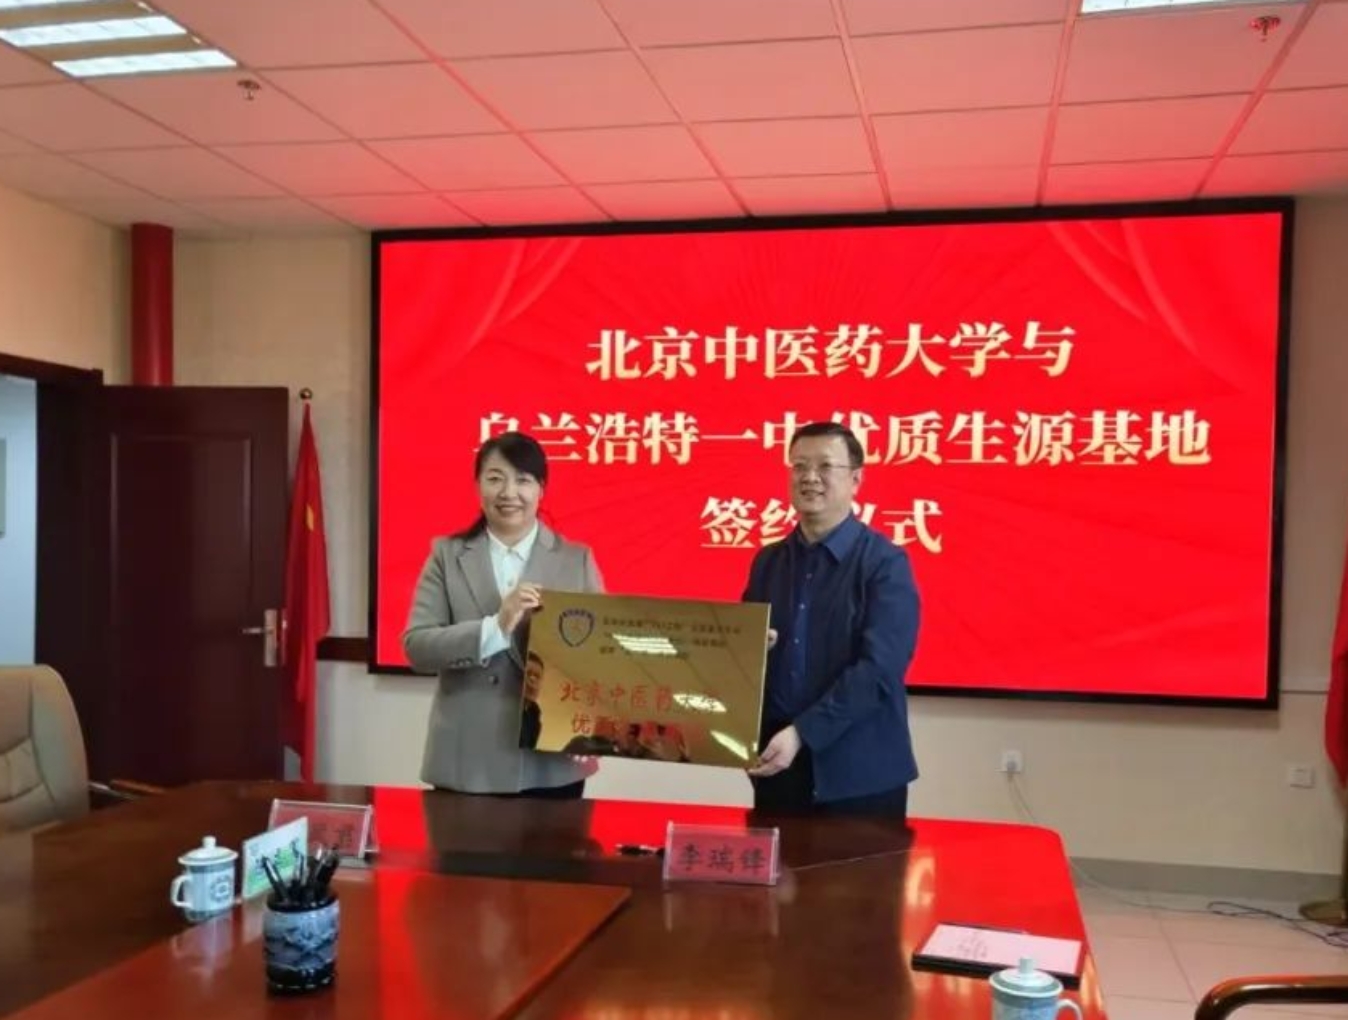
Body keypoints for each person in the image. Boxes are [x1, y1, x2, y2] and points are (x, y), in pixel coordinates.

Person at [402, 431, 604, 798]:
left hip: (552, 762)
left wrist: (595, 719)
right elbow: (418, 647)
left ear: (541, 489)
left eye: (523, 480)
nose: (509, 492)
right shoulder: (446, 555)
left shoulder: (576, 559)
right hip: (465, 759)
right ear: (478, 485)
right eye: (495, 478)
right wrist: (494, 628)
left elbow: (601, 656)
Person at [742, 421, 921, 818]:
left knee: (862, 864)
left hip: (859, 773)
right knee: (775, 861)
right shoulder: (768, 562)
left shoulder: (885, 563)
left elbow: (878, 671)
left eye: (825, 466)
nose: (809, 477)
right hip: (778, 765)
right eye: (799, 466)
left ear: (856, 479)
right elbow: (742, 655)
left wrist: (803, 733)